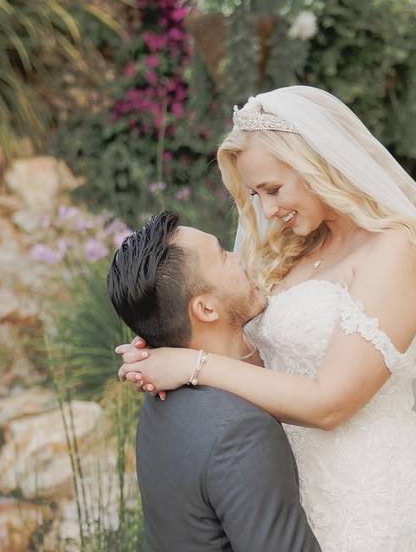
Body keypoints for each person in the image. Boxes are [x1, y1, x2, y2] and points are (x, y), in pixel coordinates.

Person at [117, 86, 416, 552]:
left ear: (316, 166)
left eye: (273, 189)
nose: (266, 211)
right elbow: (271, 367)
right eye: (255, 194)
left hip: (373, 503)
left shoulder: (395, 251)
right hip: (296, 495)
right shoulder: (298, 251)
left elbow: (331, 402)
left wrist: (192, 366)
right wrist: (169, 350)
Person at [107, 210, 322, 552]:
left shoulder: (160, 399)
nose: (238, 258)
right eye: (223, 254)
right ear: (206, 309)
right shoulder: (243, 432)